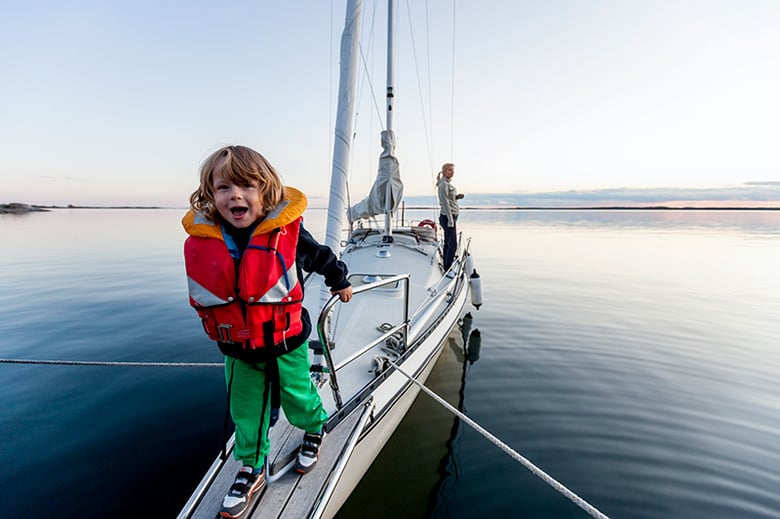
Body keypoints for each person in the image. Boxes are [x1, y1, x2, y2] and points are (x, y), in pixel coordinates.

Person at [182, 145, 353, 518]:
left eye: (248, 186)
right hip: (238, 349)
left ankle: (313, 429)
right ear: (211, 194)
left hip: (287, 341)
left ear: (267, 191)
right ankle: (251, 466)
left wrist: (339, 279)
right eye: (225, 187)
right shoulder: (207, 239)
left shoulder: (286, 232)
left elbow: (319, 256)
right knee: (245, 408)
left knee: (296, 394)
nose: (236, 195)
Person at [436, 162, 464, 270]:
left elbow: (449, 199)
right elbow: (444, 202)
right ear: (444, 171)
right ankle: (448, 268)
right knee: (453, 244)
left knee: (448, 242)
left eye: (453, 170)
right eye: (450, 170)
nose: (452, 172)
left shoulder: (447, 184)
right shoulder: (443, 185)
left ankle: (446, 264)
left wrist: (457, 197)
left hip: (451, 216)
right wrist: (450, 220)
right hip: (448, 217)